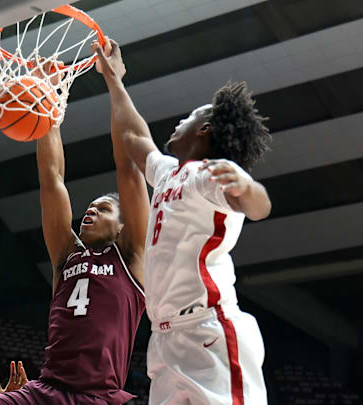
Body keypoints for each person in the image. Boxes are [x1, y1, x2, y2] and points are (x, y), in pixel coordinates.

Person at [94, 38, 272, 404]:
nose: (180, 120)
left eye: (190, 116)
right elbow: (133, 135)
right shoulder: (168, 172)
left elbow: (259, 207)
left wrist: (247, 185)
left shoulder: (211, 176)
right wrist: (115, 80)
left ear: (205, 129)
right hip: (165, 340)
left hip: (210, 330)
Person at [0, 60, 149, 405]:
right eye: (91, 207)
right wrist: (47, 99)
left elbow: (127, 166)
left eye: (104, 208)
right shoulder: (67, 255)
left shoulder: (130, 257)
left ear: (125, 225)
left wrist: (113, 81)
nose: (91, 210)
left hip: (99, 396)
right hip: (44, 391)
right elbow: (51, 178)